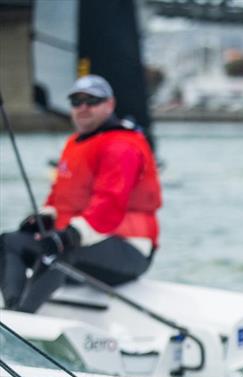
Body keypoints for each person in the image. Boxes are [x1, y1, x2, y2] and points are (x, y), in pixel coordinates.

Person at [0, 74, 161, 313]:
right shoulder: (75, 142)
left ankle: (24, 316)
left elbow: (109, 205)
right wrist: (46, 216)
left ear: (110, 105)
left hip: (129, 250)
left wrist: (68, 236)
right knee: (9, 242)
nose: (83, 107)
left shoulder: (122, 145)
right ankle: (13, 312)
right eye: (76, 101)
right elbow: (61, 195)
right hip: (81, 241)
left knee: (62, 252)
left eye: (92, 101)